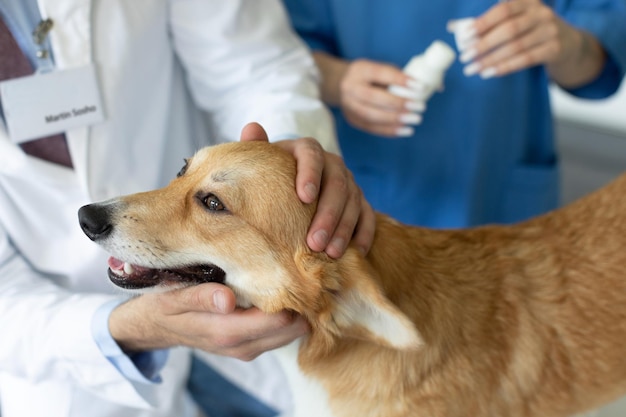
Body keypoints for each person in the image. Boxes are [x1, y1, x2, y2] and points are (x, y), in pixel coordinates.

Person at [0, 1, 375, 416]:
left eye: (207, 199)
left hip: (264, 356)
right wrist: (131, 328)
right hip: (73, 370)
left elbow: (252, 66)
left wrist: (293, 173)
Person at [282, 0, 626, 228]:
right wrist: (338, 79)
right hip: (378, 182)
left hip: (500, 182)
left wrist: (569, 45)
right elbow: (270, 52)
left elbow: (600, 60)